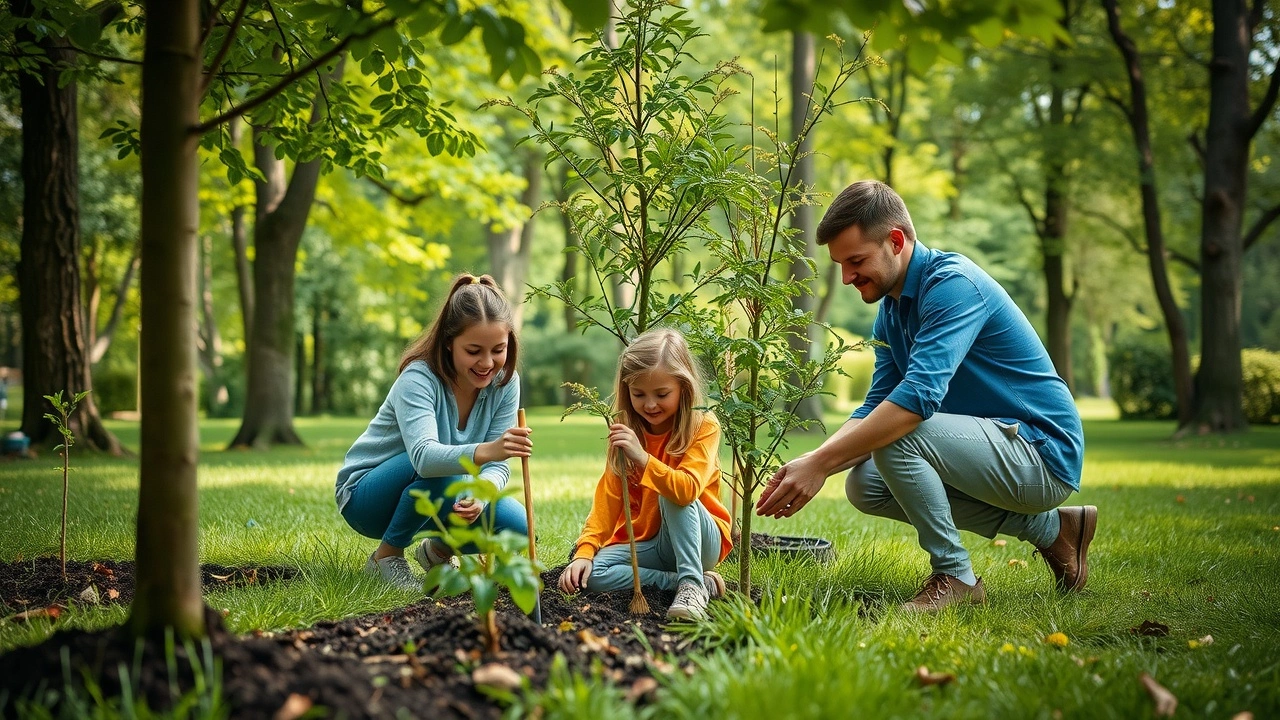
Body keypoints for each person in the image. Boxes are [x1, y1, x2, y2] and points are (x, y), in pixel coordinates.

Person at [757, 180, 1093, 612]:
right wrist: (815, 462)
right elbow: (876, 403)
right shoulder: (893, 311)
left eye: (856, 260)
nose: (846, 278)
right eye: (840, 264)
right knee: (866, 486)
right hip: (999, 449)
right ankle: (1053, 531)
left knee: (898, 435)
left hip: (1043, 452)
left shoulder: (953, 286)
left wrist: (821, 463)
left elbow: (914, 401)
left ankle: (955, 576)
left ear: (895, 241)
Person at [335, 274, 532, 592]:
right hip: (367, 498)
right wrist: (491, 450)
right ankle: (385, 558)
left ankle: (437, 553)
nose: (487, 362)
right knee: (445, 470)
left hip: (437, 492)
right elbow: (426, 459)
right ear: (448, 343)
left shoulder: (506, 383)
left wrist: (481, 494)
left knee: (518, 526)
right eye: (473, 351)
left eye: (499, 349)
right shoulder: (419, 378)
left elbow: (496, 466)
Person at [557, 328, 733, 620]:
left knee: (672, 493)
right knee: (595, 575)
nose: (650, 405)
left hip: (700, 540)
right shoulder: (626, 430)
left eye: (662, 394)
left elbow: (686, 491)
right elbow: (609, 500)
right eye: (639, 394)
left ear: (684, 388)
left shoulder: (703, 425)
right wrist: (585, 552)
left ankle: (691, 585)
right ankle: (689, 582)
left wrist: (643, 457)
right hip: (650, 544)